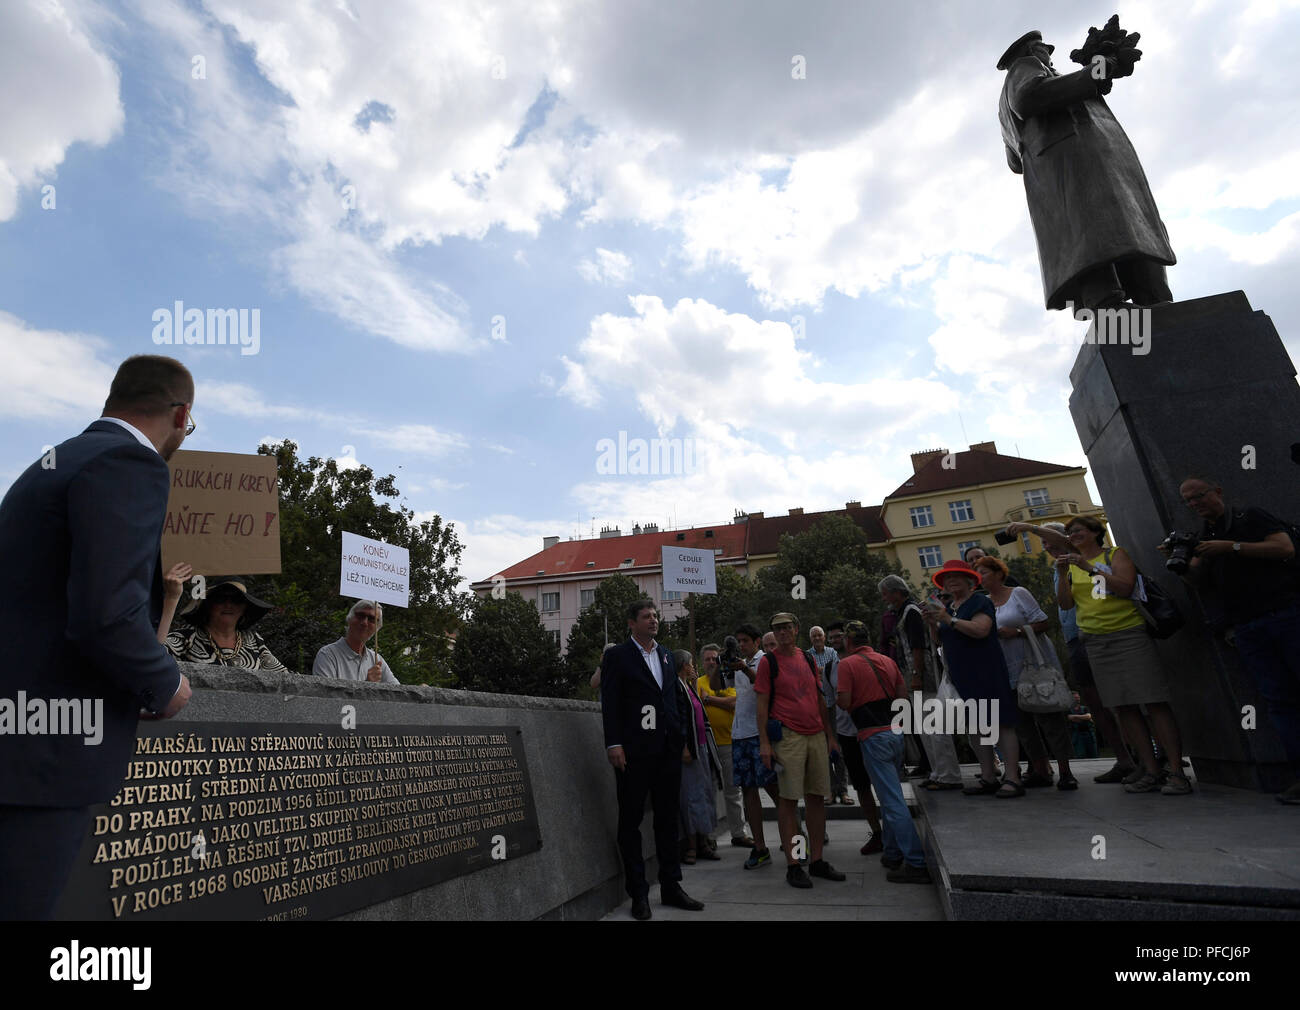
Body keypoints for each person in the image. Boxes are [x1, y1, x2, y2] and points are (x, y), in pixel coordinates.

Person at [0, 355, 195, 919]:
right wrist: (164, 684)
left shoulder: (54, 459)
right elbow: (106, 613)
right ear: (181, 414)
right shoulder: (131, 463)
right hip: (44, 756)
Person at [997, 29, 1174, 311]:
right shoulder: (1025, 67)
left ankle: (1145, 302)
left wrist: (1102, 66)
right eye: (1044, 49)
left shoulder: (1006, 105)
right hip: (1079, 165)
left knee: (1116, 233)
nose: (1049, 55)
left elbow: (1014, 161)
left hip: (1081, 166)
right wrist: (1098, 69)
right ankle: (1119, 302)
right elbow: (1029, 97)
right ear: (1032, 51)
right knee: (1096, 235)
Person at [1169, 477, 1300, 803]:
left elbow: (1284, 547)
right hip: (1247, 626)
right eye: (1188, 501)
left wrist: (1232, 547)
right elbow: (1198, 581)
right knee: (1280, 702)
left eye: (1199, 496)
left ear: (1217, 492)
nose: (1195, 504)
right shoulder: (1205, 537)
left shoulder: (1249, 517)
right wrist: (1181, 563)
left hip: (1286, 614)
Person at [1056, 516, 1190, 795]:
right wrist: (1061, 575)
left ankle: (1177, 771)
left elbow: (1123, 587)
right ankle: (1151, 769)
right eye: (1069, 532)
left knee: (1153, 702)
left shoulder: (1114, 554)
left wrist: (1089, 567)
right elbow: (1066, 603)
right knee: (1123, 707)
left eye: (1078, 530)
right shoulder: (1072, 567)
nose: (1073, 534)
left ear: (1095, 532)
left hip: (1128, 635)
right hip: (1095, 641)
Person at [1008, 520, 1135, 782]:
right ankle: (1125, 760)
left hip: (1101, 635)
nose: (1048, 547)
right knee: (1098, 705)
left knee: (1122, 702)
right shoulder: (1061, 568)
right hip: (1077, 639)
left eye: (1052, 541)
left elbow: (1101, 597)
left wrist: (1027, 527)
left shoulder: (1087, 558)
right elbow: (1065, 605)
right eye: (1044, 544)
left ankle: (1144, 758)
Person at [600, 599, 703, 919]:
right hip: (633, 754)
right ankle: (639, 893)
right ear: (631, 623)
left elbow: (675, 700)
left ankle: (671, 885)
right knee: (630, 821)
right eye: (646, 616)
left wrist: (681, 738)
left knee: (667, 818)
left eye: (655, 615)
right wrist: (614, 744)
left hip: (667, 751)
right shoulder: (616, 657)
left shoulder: (667, 655)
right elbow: (611, 702)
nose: (653, 620)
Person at [755, 612, 846, 889]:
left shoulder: (807, 658)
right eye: (776, 629)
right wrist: (765, 743)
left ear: (796, 630)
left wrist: (830, 736)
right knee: (789, 801)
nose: (782, 633)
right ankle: (795, 864)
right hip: (788, 736)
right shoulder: (768, 663)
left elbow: (819, 698)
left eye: (786, 628)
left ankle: (817, 860)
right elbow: (761, 704)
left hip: (816, 734)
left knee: (817, 797)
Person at [836, 621, 931, 883]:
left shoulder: (846, 664)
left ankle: (916, 861)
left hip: (872, 735)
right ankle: (892, 852)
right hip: (895, 733)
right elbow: (902, 697)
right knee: (892, 794)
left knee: (891, 801)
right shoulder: (887, 661)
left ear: (848, 641)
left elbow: (843, 702)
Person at [972, 556, 1077, 790]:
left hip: (1033, 665)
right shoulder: (984, 603)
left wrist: (1018, 631)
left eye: (984, 572)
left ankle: (1065, 770)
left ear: (999, 573)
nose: (980, 577)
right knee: (1022, 725)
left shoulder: (1018, 593)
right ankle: (1040, 769)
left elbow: (1043, 622)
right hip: (1006, 669)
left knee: (1050, 719)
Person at [923, 560, 1024, 797]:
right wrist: (933, 624)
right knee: (976, 727)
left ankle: (1012, 777)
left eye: (957, 576)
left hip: (985, 670)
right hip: (961, 674)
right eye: (947, 578)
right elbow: (941, 641)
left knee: (1001, 723)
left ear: (970, 580)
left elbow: (981, 630)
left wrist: (948, 620)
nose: (951, 581)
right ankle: (987, 775)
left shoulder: (980, 601)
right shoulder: (949, 607)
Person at [879, 576, 963, 791]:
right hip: (913, 675)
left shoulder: (911, 612)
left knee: (934, 726)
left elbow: (919, 646)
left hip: (923, 676)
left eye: (886, 593)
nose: (884, 598)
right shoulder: (903, 612)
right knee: (925, 727)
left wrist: (916, 674)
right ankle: (937, 772)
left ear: (897, 592)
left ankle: (948, 774)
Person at [823, 622, 885, 853]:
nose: (836, 640)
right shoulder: (830, 668)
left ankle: (893, 831)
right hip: (847, 734)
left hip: (875, 730)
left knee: (883, 783)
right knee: (861, 785)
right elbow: (829, 705)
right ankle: (877, 832)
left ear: (848, 639)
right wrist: (831, 737)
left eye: (840, 636)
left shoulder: (873, 660)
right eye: (833, 637)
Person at [725, 623, 781, 869]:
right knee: (749, 793)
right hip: (739, 735)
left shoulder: (765, 661)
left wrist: (745, 669)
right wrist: (721, 664)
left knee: (777, 790)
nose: (742, 645)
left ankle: (797, 841)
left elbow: (765, 688)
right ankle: (760, 847)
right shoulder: (738, 662)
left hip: (760, 735)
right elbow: (719, 686)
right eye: (739, 641)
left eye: (746, 640)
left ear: (757, 642)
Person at [695, 643, 752, 848]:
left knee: (733, 790)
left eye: (714, 658)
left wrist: (709, 699)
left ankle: (739, 833)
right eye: (708, 659)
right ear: (702, 662)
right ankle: (709, 836)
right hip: (706, 745)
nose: (711, 662)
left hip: (729, 742)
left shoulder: (729, 679)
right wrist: (721, 701)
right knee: (707, 790)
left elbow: (735, 703)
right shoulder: (697, 682)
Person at [166, 578, 289, 672]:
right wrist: (171, 598)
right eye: (220, 599)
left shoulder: (253, 640)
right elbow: (155, 659)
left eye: (236, 600)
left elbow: (285, 678)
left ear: (244, 607)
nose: (228, 605)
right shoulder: (187, 636)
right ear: (208, 605)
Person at [673, 651, 721, 864]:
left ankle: (704, 842)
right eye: (691, 663)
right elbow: (678, 720)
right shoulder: (676, 687)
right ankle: (691, 845)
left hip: (702, 747)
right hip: (689, 749)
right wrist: (683, 746)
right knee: (691, 796)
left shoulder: (690, 687)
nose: (694, 667)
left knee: (704, 794)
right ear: (683, 665)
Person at [810, 626, 851, 805]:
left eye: (819, 635)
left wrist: (819, 672)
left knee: (838, 749)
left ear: (824, 637)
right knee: (823, 750)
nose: (817, 638)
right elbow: (810, 676)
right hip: (817, 705)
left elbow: (836, 672)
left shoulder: (833, 652)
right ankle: (830, 791)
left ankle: (843, 790)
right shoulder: (806, 655)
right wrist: (820, 672)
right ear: (810, 639)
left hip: (834, 705)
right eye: (814, 636)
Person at [313, 600, 400, 684]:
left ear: (377, 628)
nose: (365, 623)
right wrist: (367, 685)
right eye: (360, 616)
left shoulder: (377, 660)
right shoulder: (328, 655)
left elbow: (399, 693)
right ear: (349, 619)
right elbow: (325, 696)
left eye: (371, 619)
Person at [1069, 692, 1099, 758]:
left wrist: (1075, 716)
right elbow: (1069, 718)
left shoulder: (1085, 708)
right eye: (1075, 698)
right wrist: (1083, 717)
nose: (1077, 699)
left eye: (1078, 697)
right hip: (1077, 736)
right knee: (1080, 756)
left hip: (1089, 734)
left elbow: (1088, 716)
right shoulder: (1068, 710)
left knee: (1093, 755)